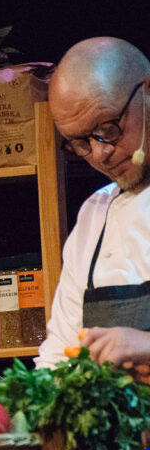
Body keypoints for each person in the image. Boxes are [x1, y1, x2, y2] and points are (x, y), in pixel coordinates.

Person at [35, 37, 150, 380]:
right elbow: (59, 356)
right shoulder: (94, 215)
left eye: (108, 129)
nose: (100, 154)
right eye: (81, 142)